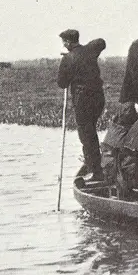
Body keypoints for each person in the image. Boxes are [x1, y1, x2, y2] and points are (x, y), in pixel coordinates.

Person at [56, 29, 107, 179]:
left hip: (83, 100)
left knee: (86, 134)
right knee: (91, 131)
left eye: (64, 42)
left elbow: (62, 83)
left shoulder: (67, 59)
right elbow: (101, 42)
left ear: (67, 42)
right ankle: (94, 164)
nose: (63, 45)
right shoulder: (90, 50)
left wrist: (67, 62)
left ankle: (94, 170)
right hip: (98, 98)